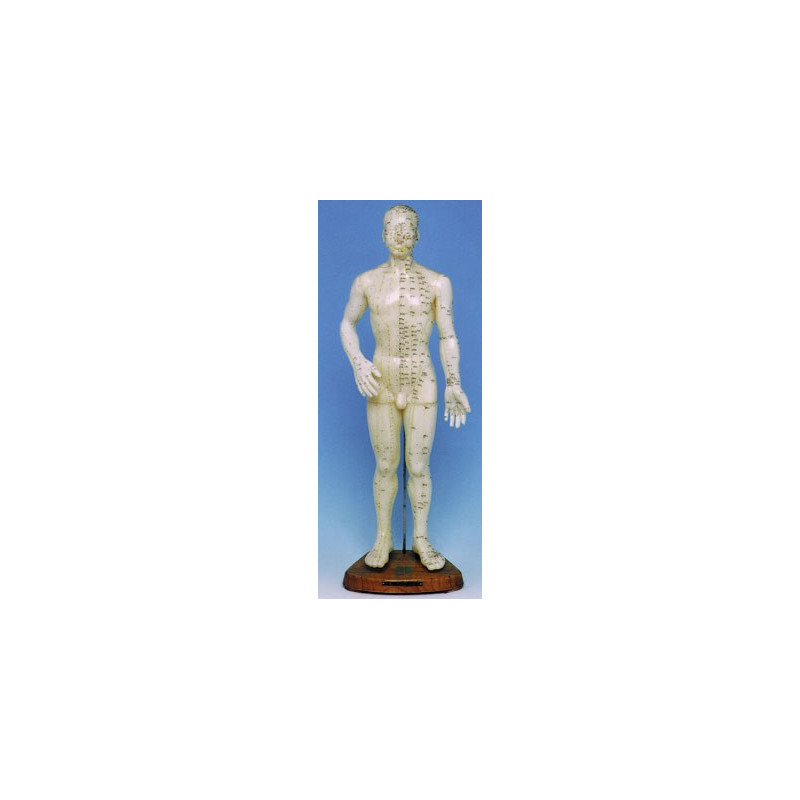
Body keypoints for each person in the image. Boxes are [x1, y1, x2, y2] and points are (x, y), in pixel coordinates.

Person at [340, 204, 471, 570]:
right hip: (381, 380)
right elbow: (347, 323)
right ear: (383, 234)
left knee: (418, 466)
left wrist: (454, 382)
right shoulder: (366, 281)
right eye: (392, 227)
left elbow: (447, 335)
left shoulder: (438, 282)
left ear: (418, 235)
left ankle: (420, 538)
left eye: (407, 228)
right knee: (385, 465)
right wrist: (358, 362)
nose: (399, 234)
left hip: (421, 380)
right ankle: (383, 537)